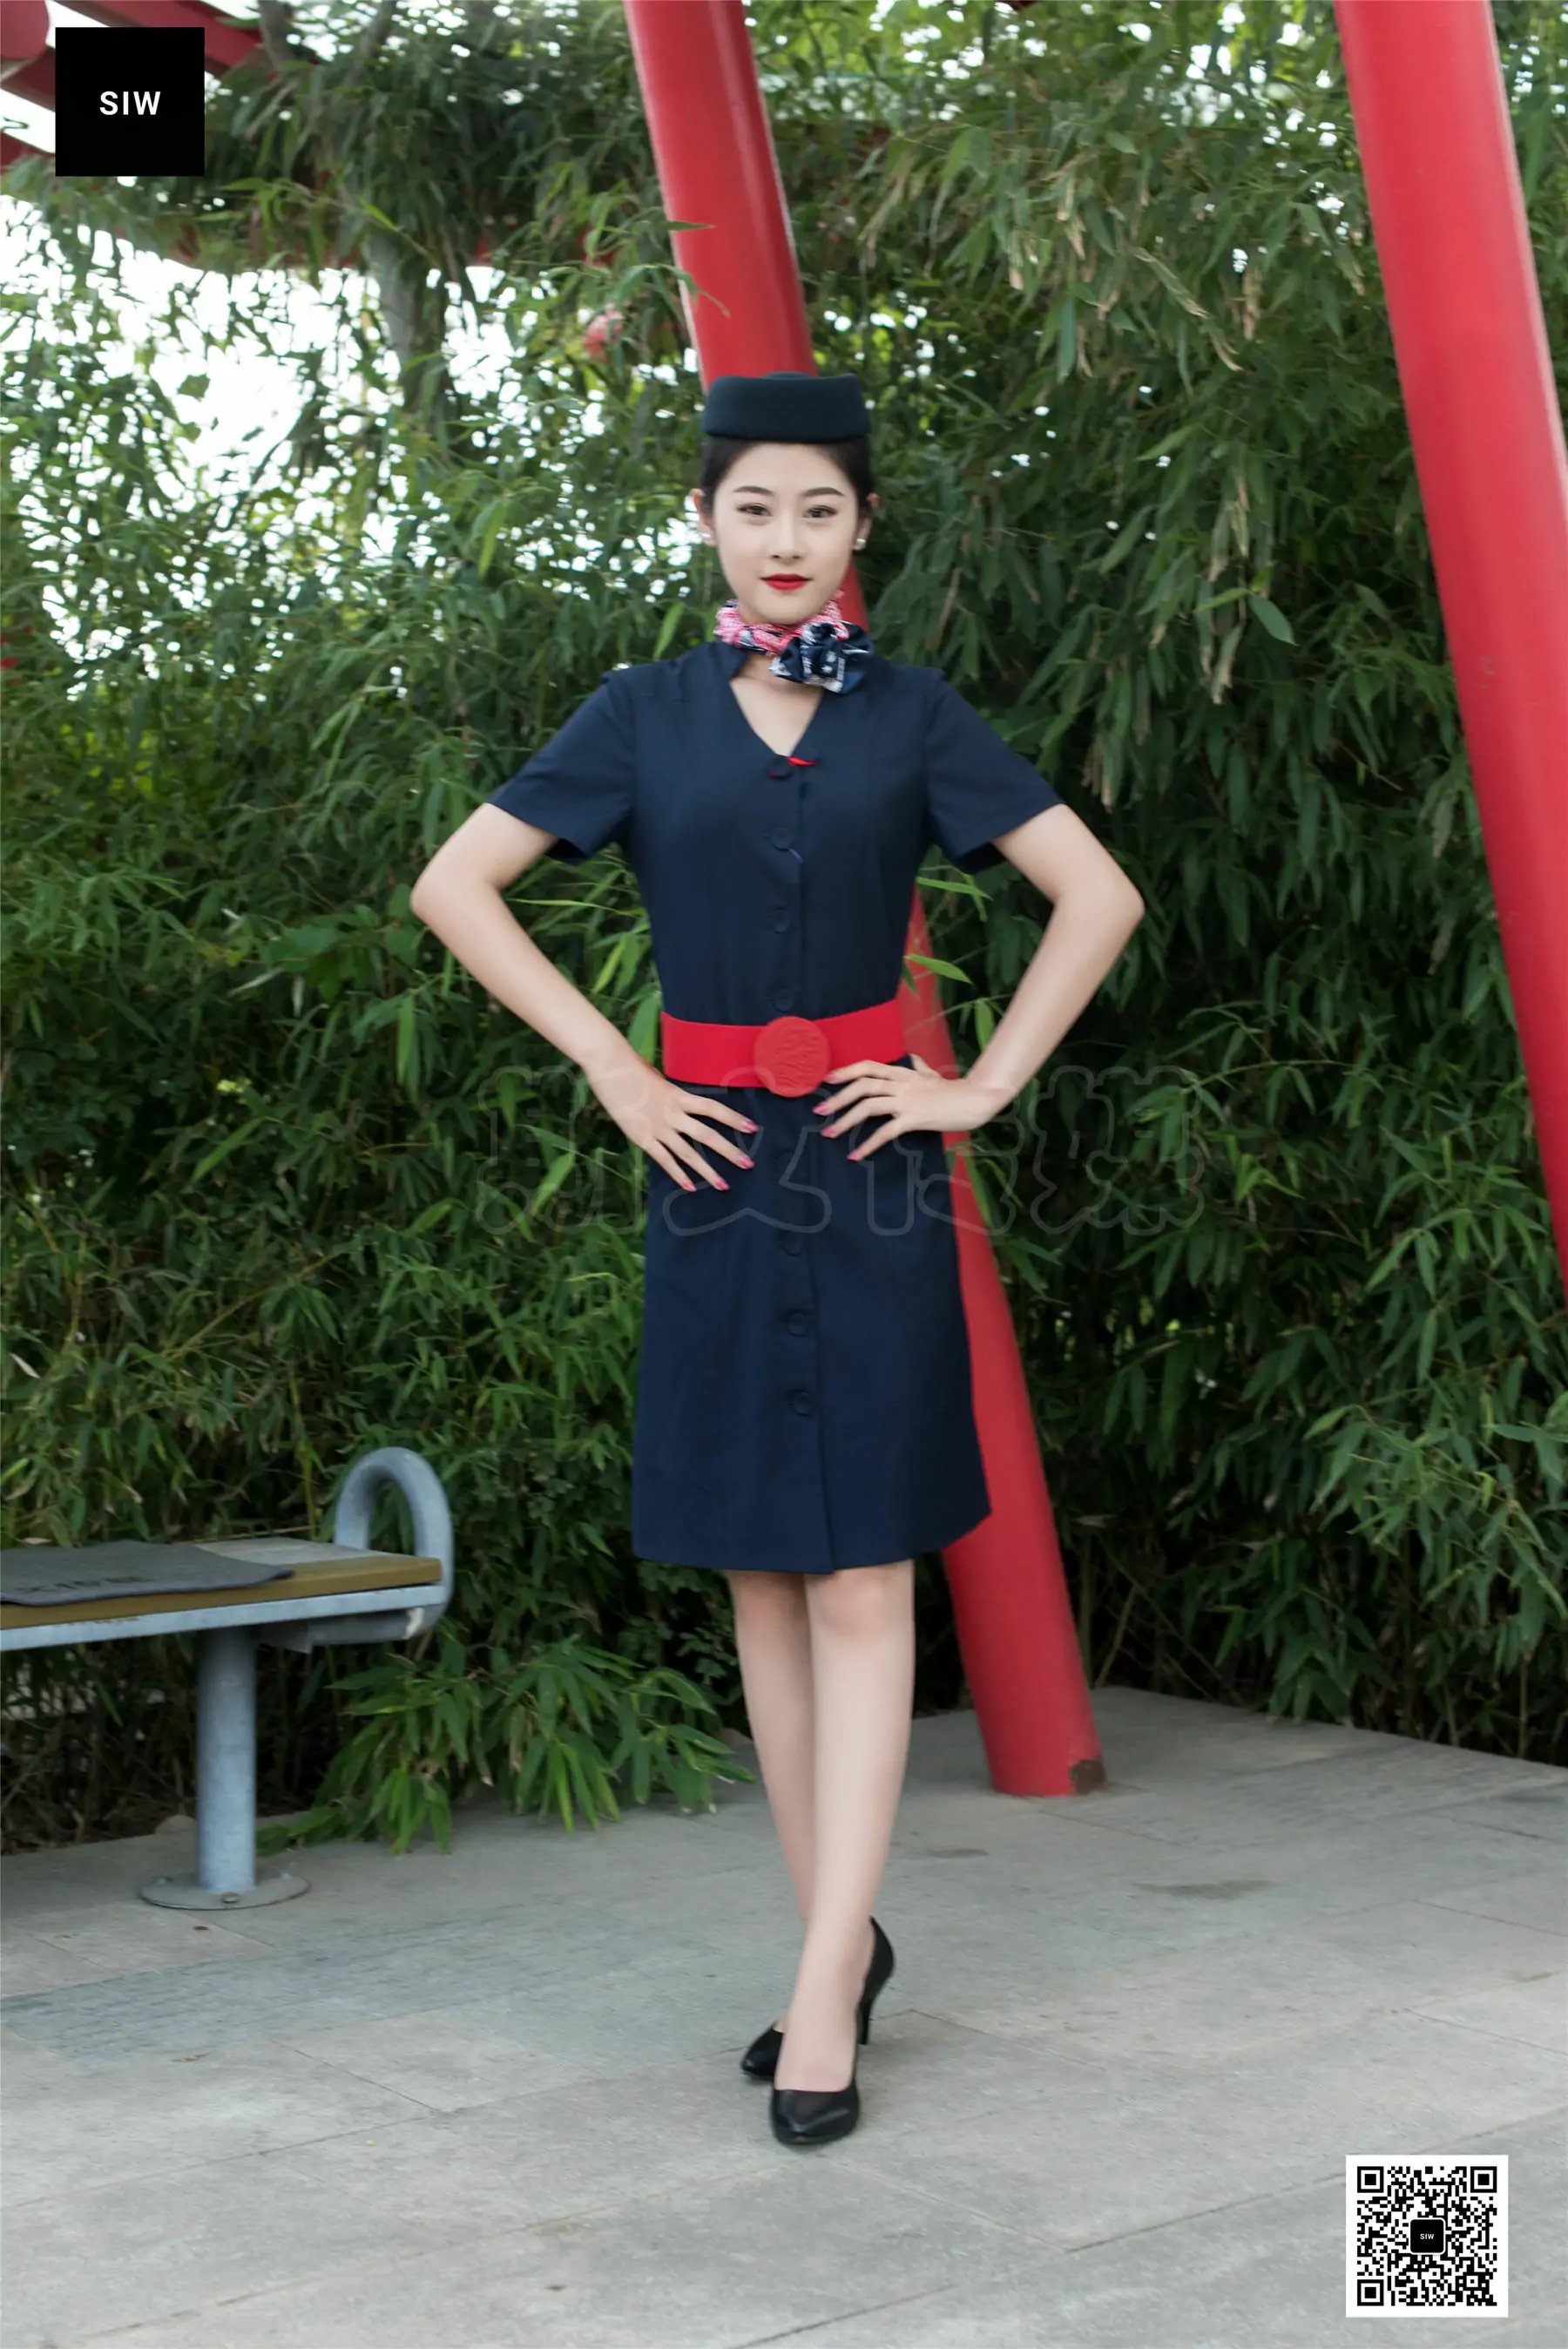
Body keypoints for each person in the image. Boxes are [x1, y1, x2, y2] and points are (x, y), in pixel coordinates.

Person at [409, 370, 1144, 2149]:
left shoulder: (915, 715)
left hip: (874, 1171)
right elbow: (454, 885)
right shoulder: (641, 714)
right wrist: (615, 1069)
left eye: (822, 509)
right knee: (760, 1576)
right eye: (756, 508)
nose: (789, 540)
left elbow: (1100, 894)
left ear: (862, 527)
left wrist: (980, 1084)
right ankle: (844, 1942)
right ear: (708, 521)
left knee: (866, 1576)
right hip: (716, 1168)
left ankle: (823, 1985)